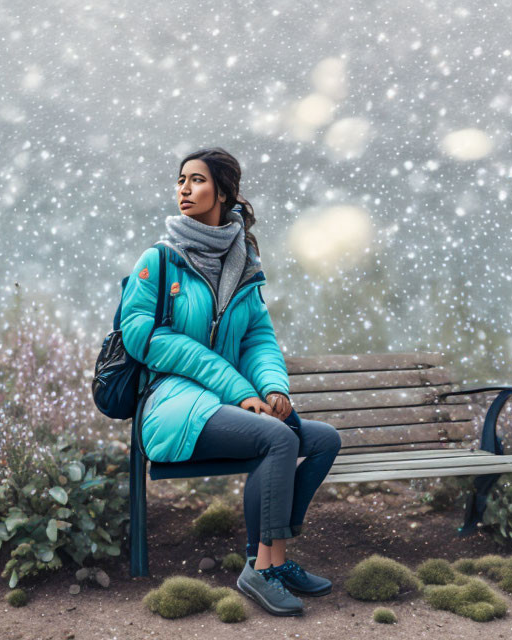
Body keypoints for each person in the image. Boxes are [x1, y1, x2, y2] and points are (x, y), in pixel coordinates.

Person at [120, 147, 342, 617]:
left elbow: (258, 337)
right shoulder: (160, 261)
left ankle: (272, 558)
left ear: (223, 192)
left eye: (196, 180)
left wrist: (273, 388)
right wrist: (238, 390)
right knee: (278, 440)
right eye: (181, 179)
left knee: (322, 440)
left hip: (230, 406)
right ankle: (259, 571)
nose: (184, 188)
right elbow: (142, 335)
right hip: (174, 406)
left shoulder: (243, 264)